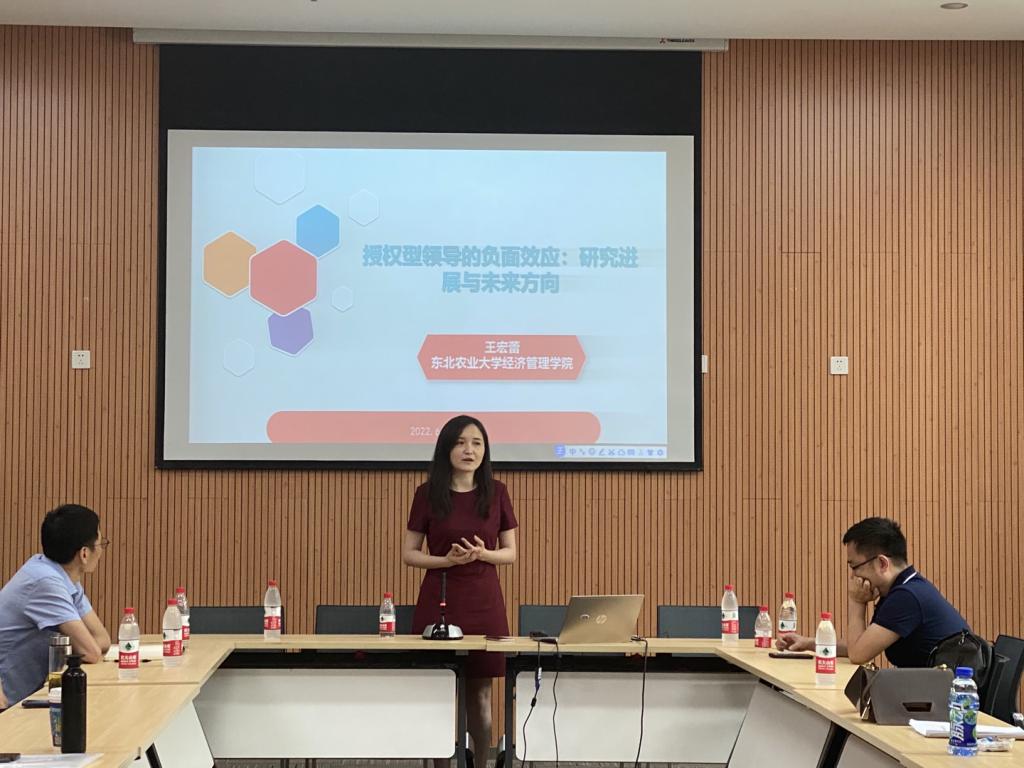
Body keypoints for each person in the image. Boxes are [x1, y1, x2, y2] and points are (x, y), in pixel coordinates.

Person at [403, 415, 518, 767]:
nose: (469, 450)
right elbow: (409, 554)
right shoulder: (427, 493)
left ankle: (481, 763)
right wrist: (446, 561)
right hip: (439, 598)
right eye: (460, 442)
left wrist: (483, 554)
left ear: (485, 450)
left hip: (484, 599)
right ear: (446, 449)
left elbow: (510, 553)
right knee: (441, 693)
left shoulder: (497, 492)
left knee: (480, 696)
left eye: (477, 443)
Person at [776, 517, 969, 667]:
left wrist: (856, 601)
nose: (853, 576)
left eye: (855, 566)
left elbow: (858, 655)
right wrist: (809, 643)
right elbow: (861, 644)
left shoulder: (907, 596)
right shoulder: (902, 588)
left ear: (882, 563)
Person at [0, 504, 111, 705]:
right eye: (100, 544)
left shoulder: (65, 578)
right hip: (8, 703)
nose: (101, 551)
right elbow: (91, 652)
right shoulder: (45, 582)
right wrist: (80, 648)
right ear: (84, 554)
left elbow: (102, 640)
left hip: (29, 696)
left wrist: (78, 648)